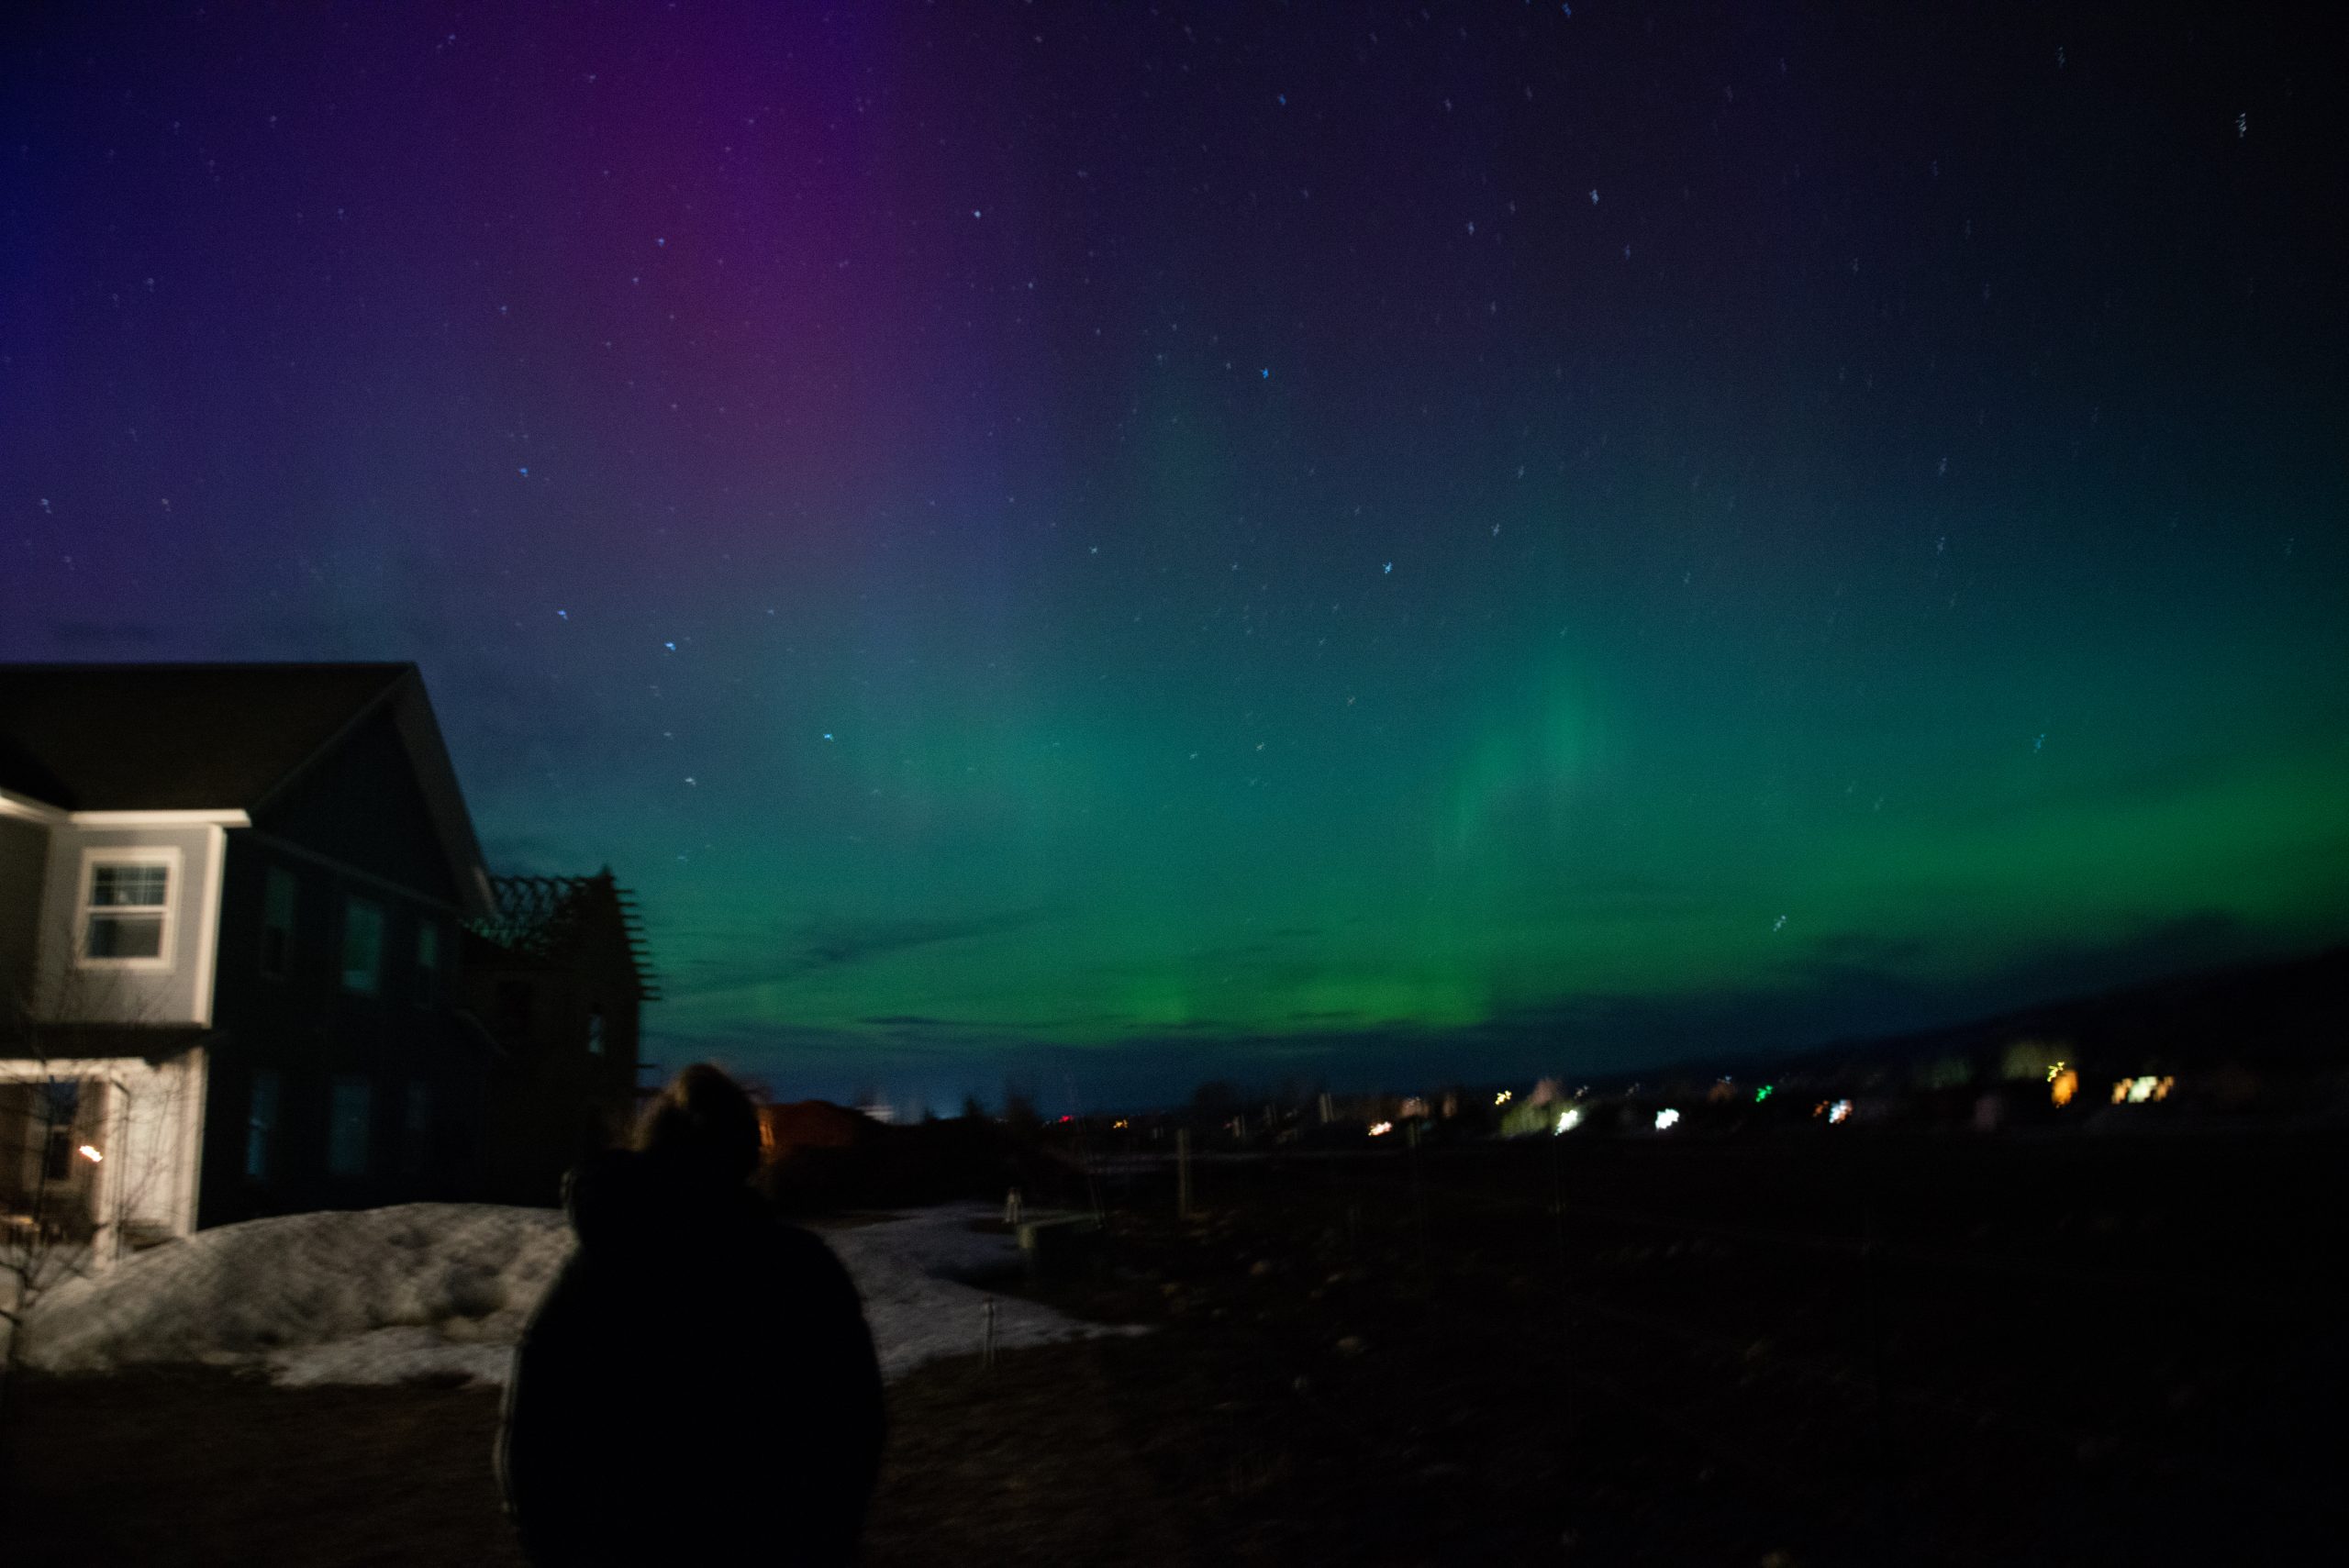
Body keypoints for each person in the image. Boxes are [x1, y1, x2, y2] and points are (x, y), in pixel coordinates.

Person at [498, 1064, 886, 1565]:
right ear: (748, 1154)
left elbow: (533, 1443)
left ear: (651, 1144)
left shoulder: (598, 1274)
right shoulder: (800, 1273)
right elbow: (852, 1430)